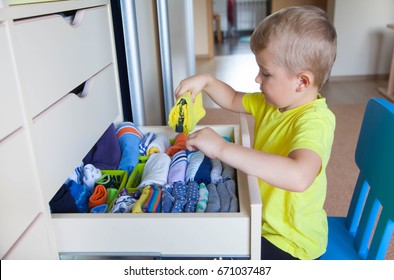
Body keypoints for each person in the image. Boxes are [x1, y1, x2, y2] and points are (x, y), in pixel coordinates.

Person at [174, 5, 337, 260]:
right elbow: (232, 98)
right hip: (260, 219)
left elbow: (299, 175)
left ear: (302, 81)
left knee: (213, 256)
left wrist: (222, 149)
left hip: (289, 240)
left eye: (266, 73)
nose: (257, 79)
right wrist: (206, 81)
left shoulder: (315, 121)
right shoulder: (272, 103)